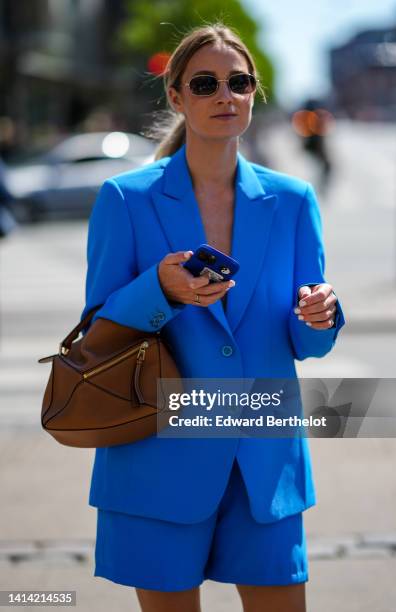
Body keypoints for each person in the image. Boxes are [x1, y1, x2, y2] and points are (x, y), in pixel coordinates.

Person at [80, 22, 345, 612]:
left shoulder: (294, 200)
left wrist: (320, 314)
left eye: (238, 81)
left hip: (263, 467)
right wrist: (159, 288)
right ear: (176, 96)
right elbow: (95, 333)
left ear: (254, 93)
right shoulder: (126, 199)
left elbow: (310, 343)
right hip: (157, 460)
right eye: (205, 83)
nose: (225, 95)